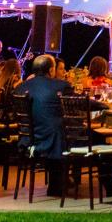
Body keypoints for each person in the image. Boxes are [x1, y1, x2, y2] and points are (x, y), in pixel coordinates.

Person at [13, 54, 75, 196]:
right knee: (93, 137)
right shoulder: (61, 86)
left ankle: (62, 181)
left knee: (58, 129)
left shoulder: (20, 88)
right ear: (51, 70)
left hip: (29, 140)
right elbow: (76, 109)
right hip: (54, 141)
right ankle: (111, 188)